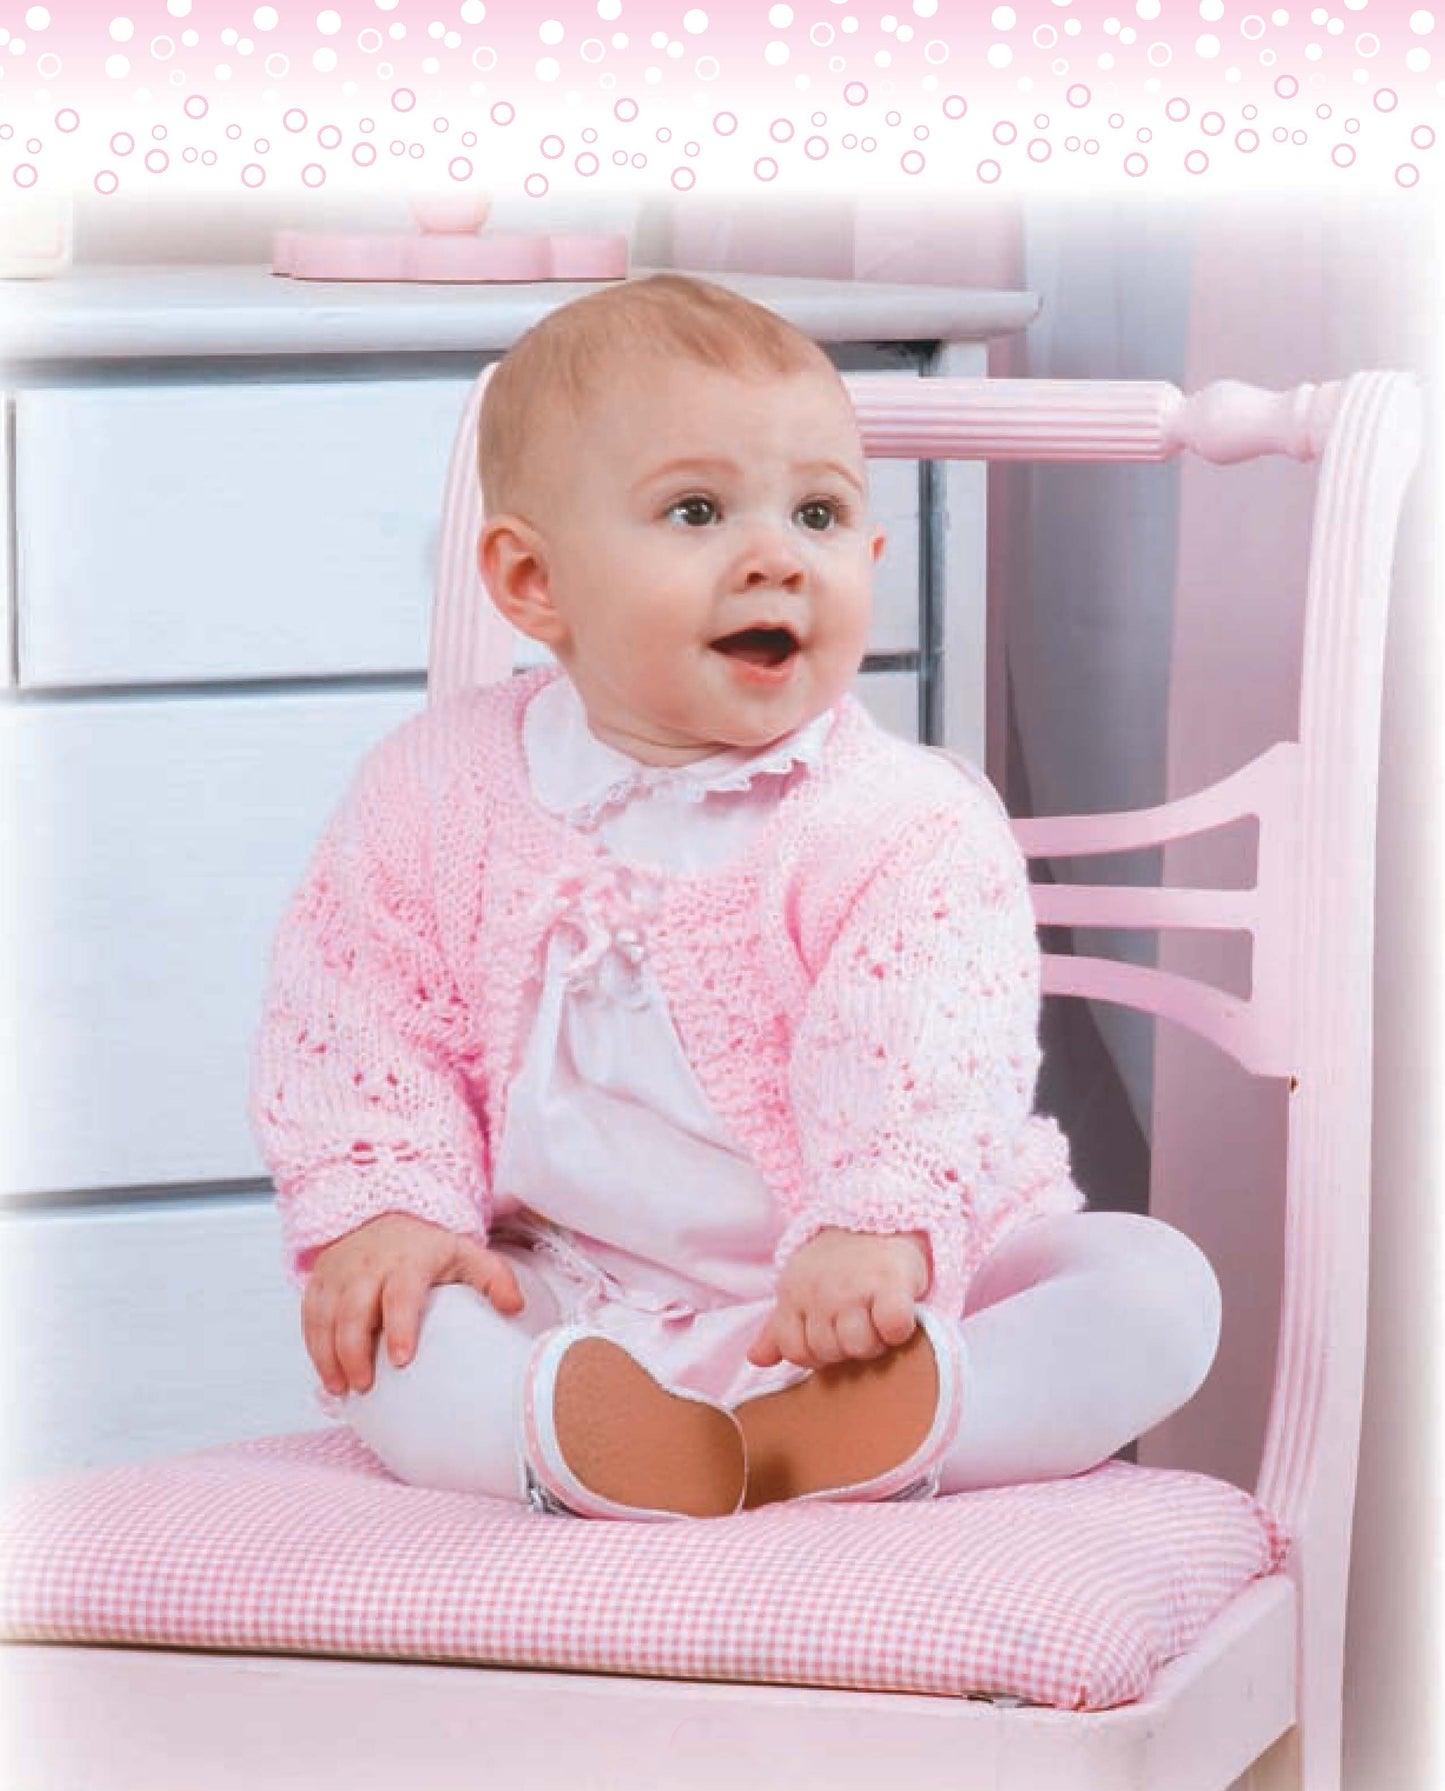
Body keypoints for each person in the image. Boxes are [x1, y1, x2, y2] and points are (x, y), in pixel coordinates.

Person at [250, 274, 1220, 1521]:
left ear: (869, 558)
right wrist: (392, 1208)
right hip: (575, 1297)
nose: (775, 557)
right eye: (698, 510)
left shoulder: (897, 817)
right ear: (532, 581)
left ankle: (878, 1422)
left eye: (818, 513)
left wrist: (876, 1228)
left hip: (879, 1297)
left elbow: (934, 1050)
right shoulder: (435, 792)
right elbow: (359, 1016)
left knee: (1152, 1289)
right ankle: (582, 1440)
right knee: (390, 1337)